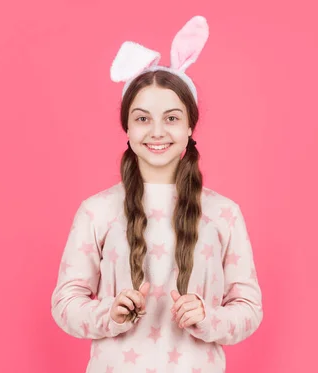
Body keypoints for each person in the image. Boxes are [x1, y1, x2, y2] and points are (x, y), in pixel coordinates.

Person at [51, 15, 264, 373]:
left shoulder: (224, 213)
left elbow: (249, 308)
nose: (157, 131)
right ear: (127, 127)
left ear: (190, 125)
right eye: (142, 118)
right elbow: (64, 304)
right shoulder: (96, 211)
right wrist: (109, 313)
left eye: (171, 117)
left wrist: (207, 317)